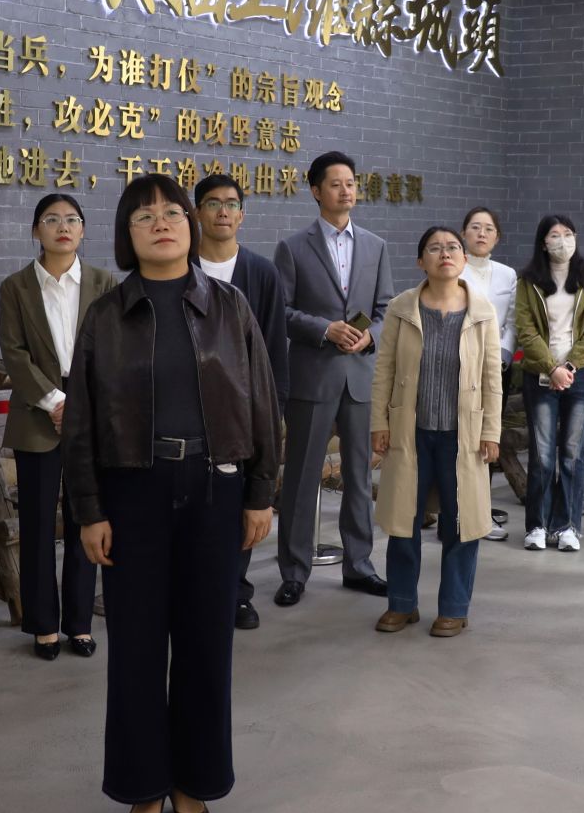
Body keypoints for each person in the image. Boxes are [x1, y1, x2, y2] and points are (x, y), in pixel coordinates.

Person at [66, 175, 282, 813]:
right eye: (144, 216)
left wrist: (261, 492)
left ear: (190, 226)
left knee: (205, 642)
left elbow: (262, 402)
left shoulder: (230, 306)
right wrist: (89, 509)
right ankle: (141, 785)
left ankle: (195, 779)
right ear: (126, 235)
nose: (160, 223)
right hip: (133, 493)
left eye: (171, 213)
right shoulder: (105, 316)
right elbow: (81, 422)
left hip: (215, 491)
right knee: (135, 646)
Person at [0, 193, 117, 660]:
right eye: (51, 220)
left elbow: (114, 349)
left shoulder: (104, 282)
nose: (62, 227)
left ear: (83, 229)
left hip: (91, 409)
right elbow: (13, 352)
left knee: (87, 516)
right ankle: (43, 625)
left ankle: (79, 624)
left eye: (71, 219)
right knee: (37, 523)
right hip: (37, 411)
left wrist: (81, 404)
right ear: (36, 231)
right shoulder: (16, 286)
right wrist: (54, 401)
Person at [272, 151, 394, 604]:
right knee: (302, 478)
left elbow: (384, 309)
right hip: (313, 377)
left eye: (351, 183)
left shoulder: (376, 246)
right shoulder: (292, 248)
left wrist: (369, 337)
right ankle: (294, 573)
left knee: (358, 477)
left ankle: (359, 566)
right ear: (315, 191)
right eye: (336, 183)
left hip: (359, 378)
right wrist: (325, 329)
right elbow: (281, 311)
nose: (346, 191)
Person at [370, 227, 503, 637]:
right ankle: (401, 604)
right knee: (403, 521)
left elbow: (492, 375)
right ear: (420, 261)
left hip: (463, 436)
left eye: (452, 248)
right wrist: (379, 423)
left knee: (462, 524)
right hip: (410, 432)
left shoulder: (481, 311)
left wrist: (492, 430)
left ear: (463, 259)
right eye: (434, 248)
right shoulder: (402, 308)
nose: (444, 253)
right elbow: (384, 369)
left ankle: (454, 608)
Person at [192, 172, 292, 627]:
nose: (223, 212)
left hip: (243, 411)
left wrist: (273, 412)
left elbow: (273, 349)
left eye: (231, 204)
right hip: (189, 410)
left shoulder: (262, 273)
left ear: (242, 215)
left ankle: (235, 593)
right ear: (197, 213)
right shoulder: (180, 265)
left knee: (240, 506)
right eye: (213, 203)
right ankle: (192, 591)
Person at [512, 214, 584, 552]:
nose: (562, 240)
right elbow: (526, 330)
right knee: (542, 454)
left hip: (580, 374)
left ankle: (567, 525)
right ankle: (537, 525)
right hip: (540, 374)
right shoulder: (528, 280)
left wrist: (569, 366)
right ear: (543, 242)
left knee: (572, 452)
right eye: (554, 235)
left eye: (568, 233)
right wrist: (551, 367)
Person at [458, 205, 523, 536]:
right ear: (463, 234)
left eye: (488, 229)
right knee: (460, 438)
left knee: (487, 438)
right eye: (475, 227)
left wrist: (504, 354)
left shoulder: (507, 274)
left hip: (497, 366)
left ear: (497, 237)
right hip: (459, 365)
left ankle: (480, 513)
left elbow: (512, 319)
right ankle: (456, 512)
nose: (481, 233)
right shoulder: (453, 268)